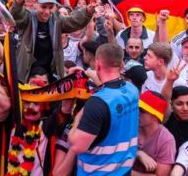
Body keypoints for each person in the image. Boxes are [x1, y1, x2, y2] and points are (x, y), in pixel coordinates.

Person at [57, 43, 140, 175]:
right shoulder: (132, 90)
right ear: (121, 64)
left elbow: (77, 146)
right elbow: (110, 89)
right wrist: (86, 73)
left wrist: (78, 118)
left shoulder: (97, 103)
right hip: (124, 170)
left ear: (98, 64)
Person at [11, 0, 95, 81]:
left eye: (50, 7)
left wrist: (88, 10)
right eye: (43, 6)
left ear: (55, 7)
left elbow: (73, 21)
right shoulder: (28, 17)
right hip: (26, 73)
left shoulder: (57, 20)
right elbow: (15, 15)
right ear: (35, 3)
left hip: (51, 73)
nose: (46, 11)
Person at [134, 90, 176, 176]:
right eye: (136, 108)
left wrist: (128, 174)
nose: (137, 112)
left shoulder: (166, 140)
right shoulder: (129, 126)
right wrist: (137, 153)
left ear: (155, 117)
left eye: (142, 110)